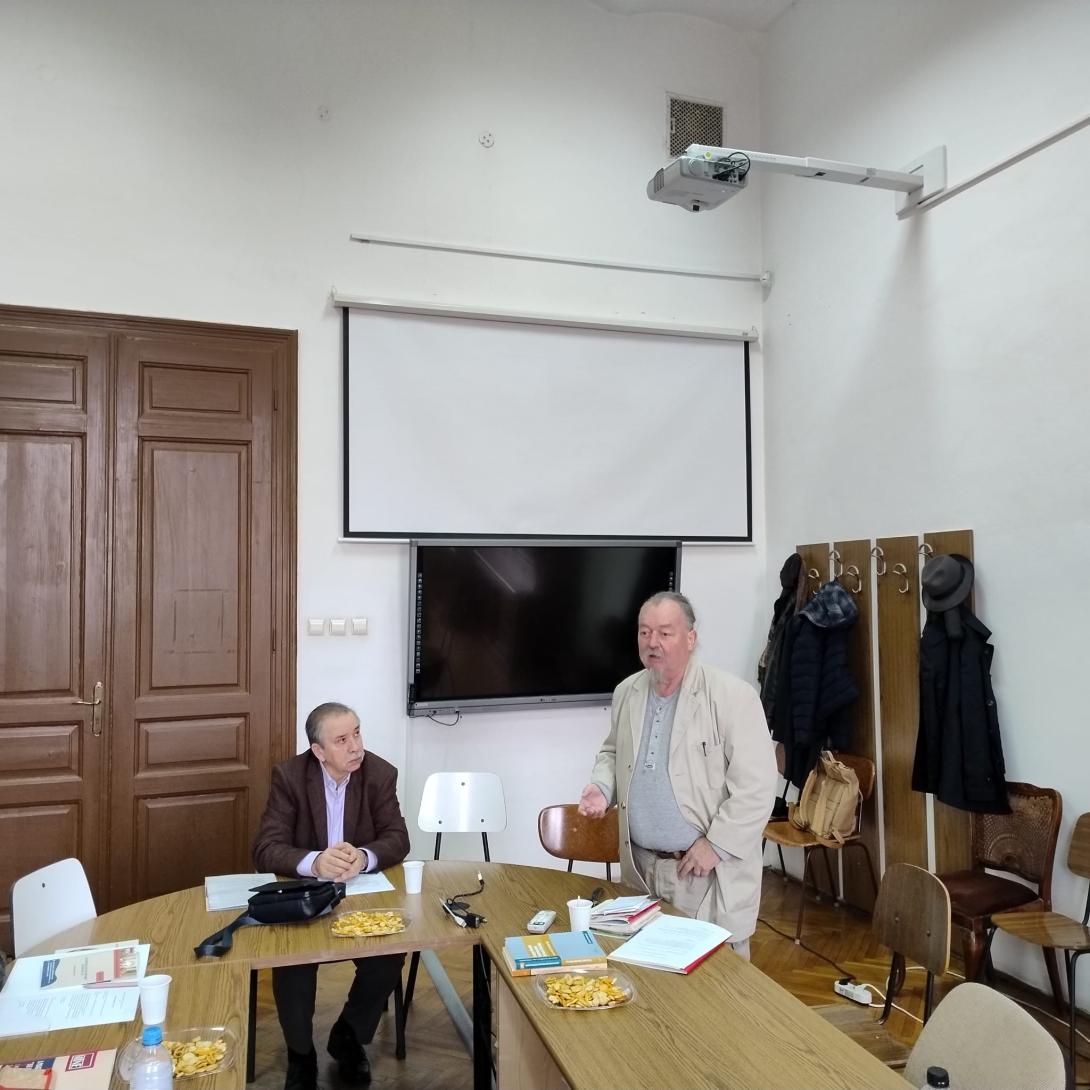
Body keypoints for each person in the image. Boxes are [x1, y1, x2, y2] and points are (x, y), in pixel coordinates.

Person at [578, 591, 777, 959]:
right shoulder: (626, 692)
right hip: (640, 869)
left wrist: (716, 846)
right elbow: (612, 752)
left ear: (690, 638)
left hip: (701, 873)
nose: (652, 642)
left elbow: (759, 787)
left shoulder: (733, 697)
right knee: (645, 973)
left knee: (715, 980)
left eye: (665, 633)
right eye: (644, 632)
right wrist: (602, 786)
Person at [253, 702, 410, 1090]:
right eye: (341, 740)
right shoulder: (290, 777)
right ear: (318, 751)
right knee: (292, 962)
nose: (355, 746)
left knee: (389, 953)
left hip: (361, 896)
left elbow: (398, 838)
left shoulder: (379, 773)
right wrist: (315, 862)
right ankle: (300, 1055)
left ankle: (348, 1036)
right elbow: (266, 849)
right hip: (306, 897)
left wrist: (365, 856)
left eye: (356, 733)